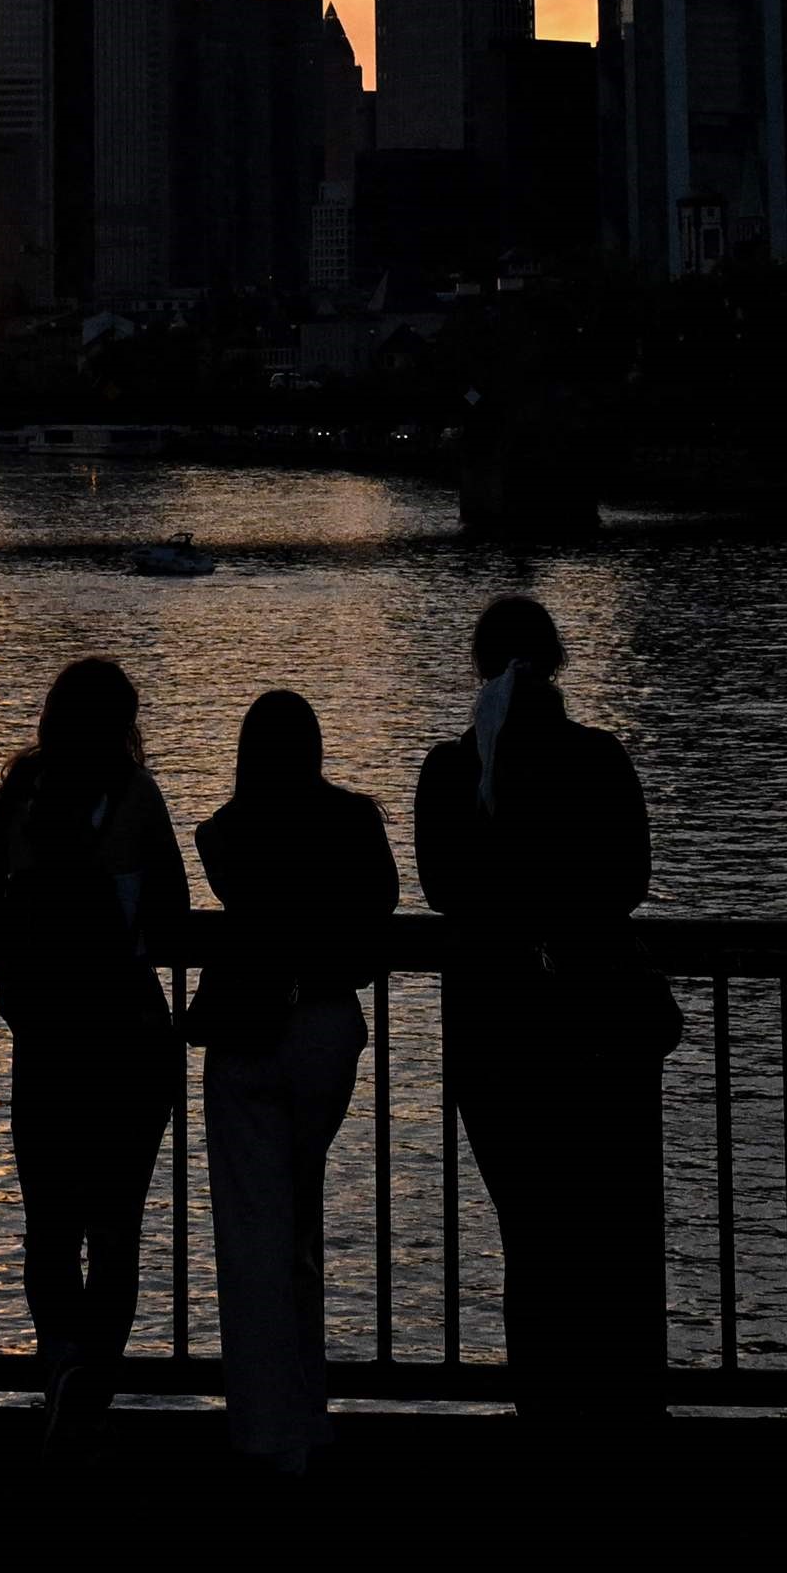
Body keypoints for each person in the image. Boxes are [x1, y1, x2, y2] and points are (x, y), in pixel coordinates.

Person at [413, 593, 672, 1428]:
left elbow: (445, 890)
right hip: (596, 1028)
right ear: (558, 662)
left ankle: (542, 1405)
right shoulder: (600, 759)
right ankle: (621, 1405)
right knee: (607, 1225)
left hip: (492, 1032)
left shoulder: (449, 771)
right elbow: (628, 880)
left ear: (476, 666)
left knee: (528, 1228)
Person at [0, 656, 188, 1438]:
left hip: (48, 1035)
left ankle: (61, 1359)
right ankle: (94, 1376)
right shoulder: (135, 793)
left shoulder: (22, 792)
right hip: (128, 1032)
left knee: (51, 1220)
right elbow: (173, 908)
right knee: (115, 1223)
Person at [191, 687, 398, 1473]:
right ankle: (307, 1412)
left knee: (253, 1234)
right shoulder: (354, 821)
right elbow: (379, 918)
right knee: (299, 1222)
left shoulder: (224, 835)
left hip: (248, 1031)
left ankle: (267, 1430)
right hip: (325, 1029)